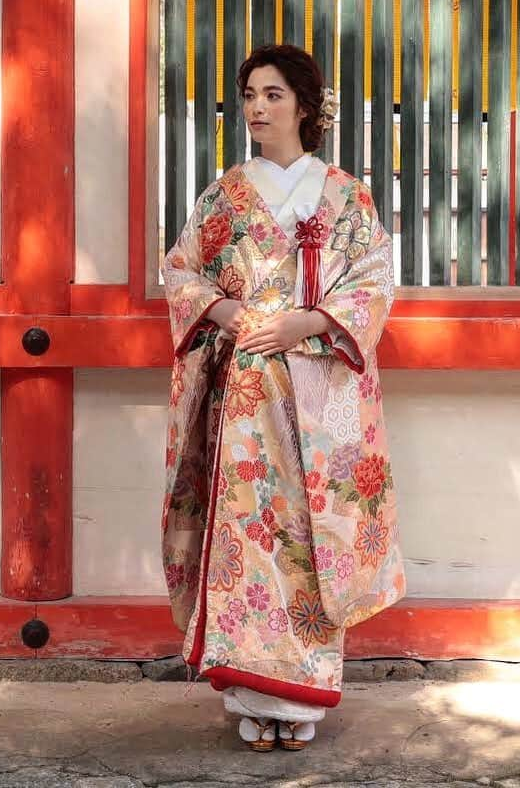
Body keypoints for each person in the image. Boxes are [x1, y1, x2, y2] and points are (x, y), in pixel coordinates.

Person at [161, 44, 406, 751]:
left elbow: (370, 278)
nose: (256, 108)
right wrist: (224, 313)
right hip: (245, 392)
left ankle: (299, 700)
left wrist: (310, 321)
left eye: (271, 94)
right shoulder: (224, 194)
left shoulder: (343, 193)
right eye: (247, 95)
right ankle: (248, 690)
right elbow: (181, 269)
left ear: (304, 104)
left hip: (319, 388)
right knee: (246, 532)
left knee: (308, 532)